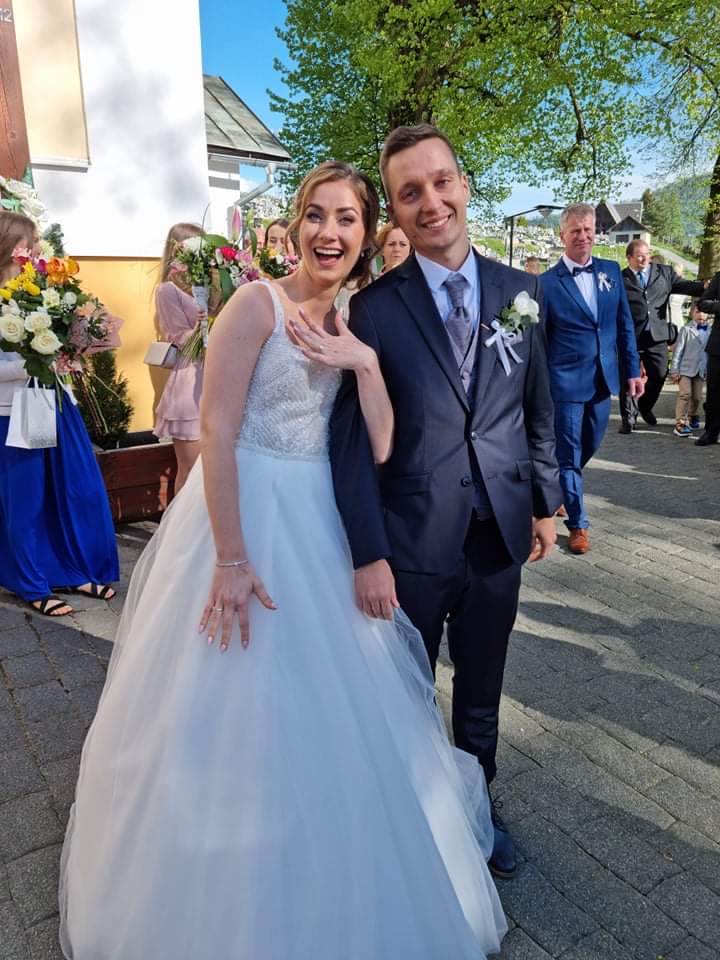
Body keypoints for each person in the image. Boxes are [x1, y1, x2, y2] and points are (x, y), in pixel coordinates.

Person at [59, 161, 507, 960]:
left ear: (368, 234)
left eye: (347, 219)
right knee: (224, 694)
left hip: (320, 521)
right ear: (296, 225)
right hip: (243, 515)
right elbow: (218, 430)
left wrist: (362, 363)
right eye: (316, 216)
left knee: (334, 705)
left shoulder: (358, 319)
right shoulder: (254, 304)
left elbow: (380, 445)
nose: (330, 233)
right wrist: (231, 559)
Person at [330, 124, 562, 880]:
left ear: (463, 184)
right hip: (412, 540)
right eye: (409, 193)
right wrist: (368, 552)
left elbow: (537, 407)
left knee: (483, 689)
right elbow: (351, 446)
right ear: (394, 212)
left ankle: (477, 810)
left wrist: (546, 502)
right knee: (406, 691)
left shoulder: (521, 291)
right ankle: (411, 818)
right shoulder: (371, 311)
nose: (430, 202)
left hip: (500, 532)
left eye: (440, 182)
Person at [0, 211, 118, 617]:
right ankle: (30, 583)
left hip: (54, 403)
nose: (37, 249)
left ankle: (71, 569)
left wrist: (71, 352)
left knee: (72, 491)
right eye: (31, 242)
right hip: (13, 414)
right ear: (11, 247)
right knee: (26, 501)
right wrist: (35, 361)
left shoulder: (41, 291)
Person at [539, 203, 642, 555]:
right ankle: (578, 524)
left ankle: (559, 488)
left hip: (603, 379)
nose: (583, 236)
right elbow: (541, 340)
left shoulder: (611, 272)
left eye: (588, 230)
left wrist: (632, 370)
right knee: (568, 455)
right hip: (565, 382)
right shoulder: (546, 284)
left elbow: (624, 326)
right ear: (562, 236)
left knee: (590, 444)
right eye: (575, 231)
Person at [619, 240, 704, 433]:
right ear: (629, 257)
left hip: (656, 336)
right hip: (630, 336)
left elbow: (686, 286)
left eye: (647, 254)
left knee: (658, 374)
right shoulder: (621, 278)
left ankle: (645, 406)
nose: (644, 259)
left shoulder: (663, 272)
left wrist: (706, 286)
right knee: (628, 377)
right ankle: (628, 419)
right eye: (639, 256)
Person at [153, 223, 208, 492]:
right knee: (190, 472)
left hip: (218, 376)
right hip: (191, 383)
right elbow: (178, 336)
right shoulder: (167, 289)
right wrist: (206, 325)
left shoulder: (210, 282)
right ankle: (181, 521)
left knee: (215, 471)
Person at [669, 301, 711, 437]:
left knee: (697, 397)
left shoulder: (711, 331)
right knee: (685, 394)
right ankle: (680, 423)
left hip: (700, 370)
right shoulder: (686, 330)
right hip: (685, 369)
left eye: (704, 312)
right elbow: (678, 351)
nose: (701, 315)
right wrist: (674, 370)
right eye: (698, 312)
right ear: (692, 313)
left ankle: (693, 414)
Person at [696, 271, 720, 445]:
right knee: (714, 392)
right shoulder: (719, 277)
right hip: (718, 347)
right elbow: (703, 303)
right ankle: (711, 432)